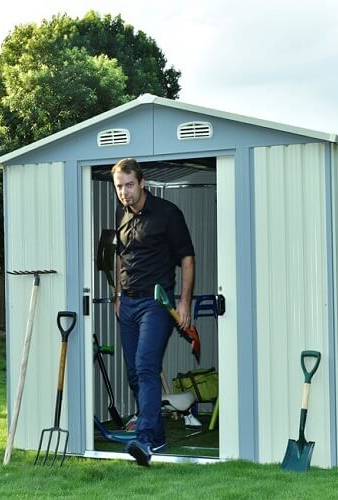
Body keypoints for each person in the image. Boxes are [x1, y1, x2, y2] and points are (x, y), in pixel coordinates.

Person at [112, 158, 195, 467]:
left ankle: (145, 440)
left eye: (129, 185)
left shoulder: (167, 214)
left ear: (142, 182)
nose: (124, 192)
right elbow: (120, 257)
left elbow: (187, 258)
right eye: (119, 186)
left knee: (146, 367)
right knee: (134, 373)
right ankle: (158, 437)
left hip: (157, 304)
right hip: (129, 305)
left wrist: (184, 303)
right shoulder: (122, 216)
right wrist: (117, 295)